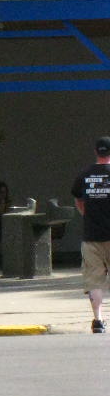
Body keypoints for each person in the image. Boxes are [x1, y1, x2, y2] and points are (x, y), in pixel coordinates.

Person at [71, 136, 110, 333]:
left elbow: (79, 201)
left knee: (94, 281)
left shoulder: (84, 174)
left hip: (92, 235)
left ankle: (98, 321)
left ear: (96, 152)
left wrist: (88, 215)